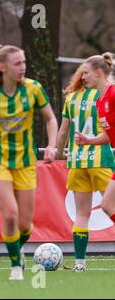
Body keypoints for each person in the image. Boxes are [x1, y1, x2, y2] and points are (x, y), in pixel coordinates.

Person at [0, 45, 58, 281]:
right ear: (1, 67)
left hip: (26, 163)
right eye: (18, 63)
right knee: (11, 216)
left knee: (25, 226)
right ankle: (16, 265)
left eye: (24, 62)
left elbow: (51, 119)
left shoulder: (34, 89)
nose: (23, 67)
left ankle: (17, 247)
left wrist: (53, 145)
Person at [57, 65, 114, 272]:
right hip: (101, 159)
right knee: (111, 208)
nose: (85, 76)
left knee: (82, 215)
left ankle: (80, 263)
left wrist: (58, 153)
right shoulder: (102, 96)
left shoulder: (72, 98)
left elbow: (63, 132)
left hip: (78, 161)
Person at [75, 53, 115, 248]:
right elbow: (109, 136)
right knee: (107, 206)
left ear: (99, 73)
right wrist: (88, 141)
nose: (83, 77)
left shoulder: (114, 94)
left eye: (86, 73)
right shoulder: (100, 102)